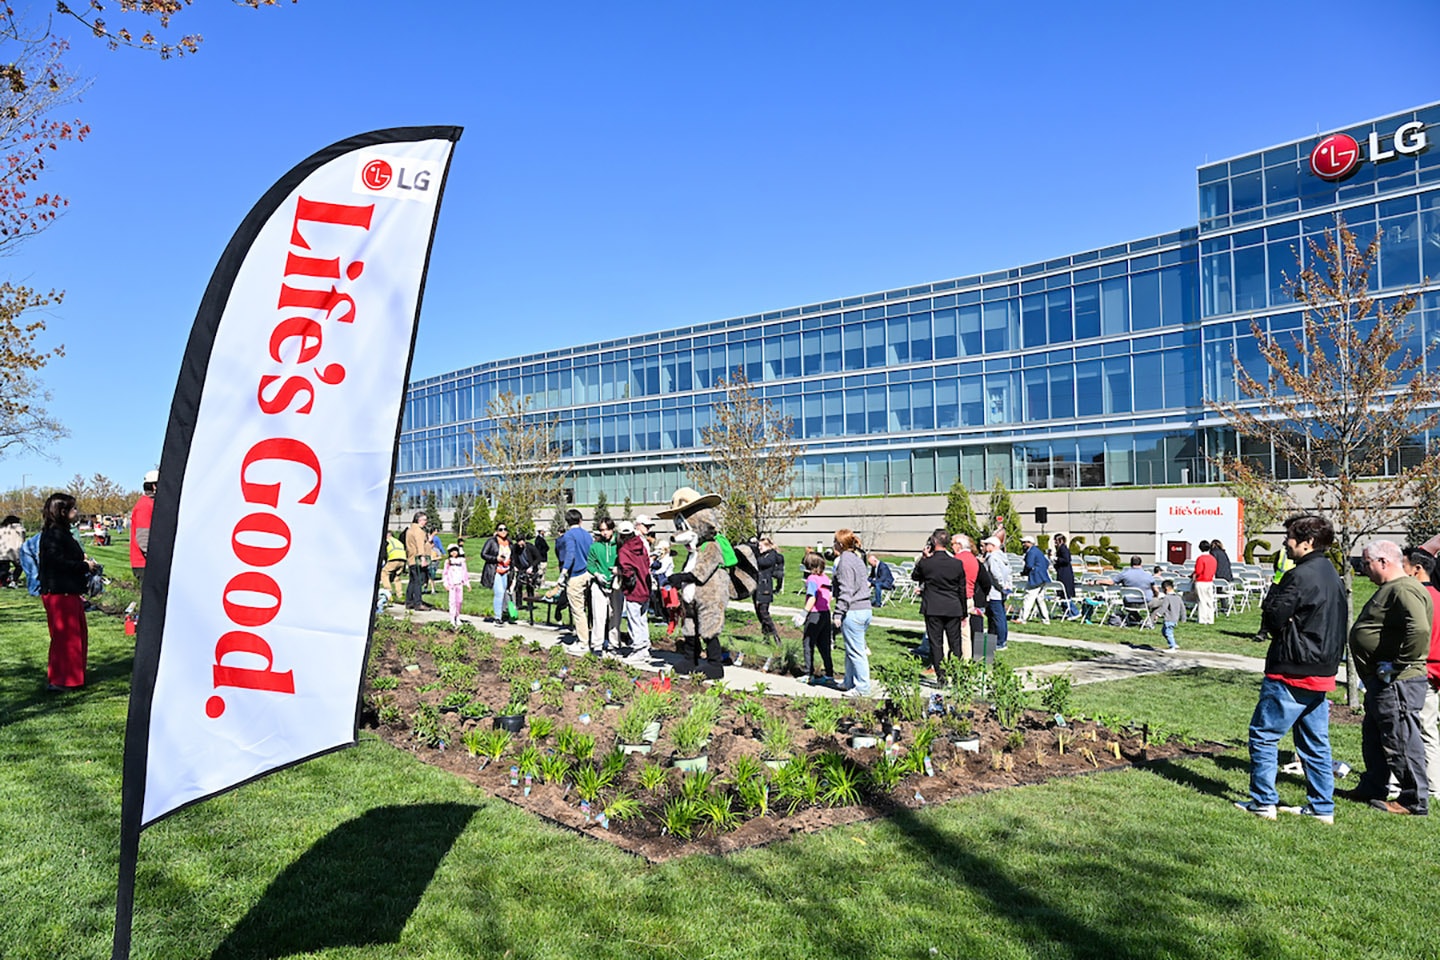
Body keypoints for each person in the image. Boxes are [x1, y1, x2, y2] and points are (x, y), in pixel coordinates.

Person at [1234, 514, 1347, 823]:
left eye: (1290, 538)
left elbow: (1271, 618)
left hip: (1292, 669)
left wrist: (1278, 579)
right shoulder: (1331, 574)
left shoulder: (1299, 576)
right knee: (1315, 743)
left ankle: (1263, 802)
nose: (1285, 542)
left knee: (1264, 735)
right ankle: (1322, 807)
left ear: (1307, 542)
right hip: (1322, 670)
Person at [1345, 539, 1431, 815]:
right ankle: (1373, 786)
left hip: (1397, 681)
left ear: (1384, 561)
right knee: (1376, 735)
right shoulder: (1392, 588)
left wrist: (1398, 665)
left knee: (1400, 738)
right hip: (1383, 681)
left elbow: (1418, 630)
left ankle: (1412, 799)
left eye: (1367, 563)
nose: (1363, 568)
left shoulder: (1404, 588)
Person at [39, 493, 97, 691]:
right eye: (73, 509)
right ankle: (61, 680)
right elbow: (57, 562)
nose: (76, 512)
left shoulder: (61, 532)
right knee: (66, 638)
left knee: (76, 635)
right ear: (62, 512)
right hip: (59, 592)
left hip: (67, 590)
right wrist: (83, 566)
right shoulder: (54, 534)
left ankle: (72, 677)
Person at [1401, 547, 1440, 802]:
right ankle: (1433, 786)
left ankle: (1429, 786)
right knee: (1428, 729)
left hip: (1420, 671)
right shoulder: (1438, 596)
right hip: (1434, 673)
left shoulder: (1415, 598)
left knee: (1414, 729)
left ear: (1417, 569)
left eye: (1404, 564)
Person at [912, 528, 968, 681]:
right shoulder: (957, 564)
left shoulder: (927, 563)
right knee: (955, 643)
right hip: (953, 607)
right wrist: (964, 612)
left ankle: (941, 676)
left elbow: (915, 576)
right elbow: (961, 590)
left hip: (933, 607)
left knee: (936, 643)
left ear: (934, 542)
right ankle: (956, 674)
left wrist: (923, 558)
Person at [831, 528, 872, 696]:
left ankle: (862, 687)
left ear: (840, 544)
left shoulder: (844, 562)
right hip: (865, 609)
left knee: (856, 652)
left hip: (853, 611)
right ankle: (849, 681)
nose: (832, 544)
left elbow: (846, 590)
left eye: (834, 541)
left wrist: (839, 613)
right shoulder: (857, 559)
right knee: (851, 648)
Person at [616, 517, 653, 665]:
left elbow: (627, 570)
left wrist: (619, 573)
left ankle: (638, 649)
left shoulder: (624, 550)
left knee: (634, 620)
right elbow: (647, 562)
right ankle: (645, 648)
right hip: (645, 586)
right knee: (643, 620)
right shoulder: (641, 545)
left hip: (634, 589)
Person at [556, 509, 594, 645]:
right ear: (580, 520)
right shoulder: (587, 535)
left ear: (567, 522)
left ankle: (583, 641)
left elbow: (570, 554)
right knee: (592, 609)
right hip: (589, 573)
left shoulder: (568, 535)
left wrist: (563, 573)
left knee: (578, 610)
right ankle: (595, 636)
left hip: (576, 575)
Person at [585, 518, 619, 654]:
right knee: (599, 615)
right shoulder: (595, 546)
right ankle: (597, 644)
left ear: (612, 529)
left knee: (615, 615)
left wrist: (619, 570)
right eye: (602, 530)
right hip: (599, 584)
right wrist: (597, 574)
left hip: (616, 583)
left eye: (607, 529)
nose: (604, 533)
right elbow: (590, 565)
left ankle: (614, 643)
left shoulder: (619, 544)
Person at [800, 552, 834, 683]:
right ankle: (829, 674)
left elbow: (812, 597)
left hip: (814, 614)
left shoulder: (812, 579)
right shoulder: (826, 578)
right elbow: (830, 595)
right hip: (825, 613)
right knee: (824, 645)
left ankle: (808, 674)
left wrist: (803, 613)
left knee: (808, 643)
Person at [981, 536, 1012, 652]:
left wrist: (1001, 585)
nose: (984, 547)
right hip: (1002, 592)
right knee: (1000, 616)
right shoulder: (1003, 557)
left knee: (997, 618)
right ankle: (997, 639)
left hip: (994, 592)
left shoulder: (992, 557)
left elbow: (995, 574)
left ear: (993, 546)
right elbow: (1009, 572)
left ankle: (1000, 641)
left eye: (987, 544)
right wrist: (1007, 586)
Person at [129, 470, 157, 590]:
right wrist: (157, 558)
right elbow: (143, 537)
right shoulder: (145, 505)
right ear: (154, 486)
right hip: (144, 564)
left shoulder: (150, 504)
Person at [753, 537, 783, 645]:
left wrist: (755, 553)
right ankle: (766, 637)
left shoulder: (771, 556)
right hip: (758, 587)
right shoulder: (763, 554)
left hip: (765, 587)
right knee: (759, 614)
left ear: (767, 546)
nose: (759, 548)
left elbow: (760, 563)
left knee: (764, 613)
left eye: (761, 546)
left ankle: (776, 636)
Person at [1018, 534, 1052, 624]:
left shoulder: (1031, 552)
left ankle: (1022, 618)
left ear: (1030, 543)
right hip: (1042, 577)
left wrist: (1024, 573)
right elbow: (1047, 563)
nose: (1023, 544)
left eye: (1024, 543)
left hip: (1035, 578)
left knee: (1028, 597)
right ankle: (1045, 619)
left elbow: (1028, 565)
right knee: (1039, 599)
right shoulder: (1038, 551)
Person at [484, 526, 514, 623]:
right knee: (499, 593)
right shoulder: (491, 542)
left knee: (504, 591)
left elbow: (513, 556)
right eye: (500, 529)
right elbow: (483, 554)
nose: (503, 531)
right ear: (496, 531)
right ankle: (498, 617)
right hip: (495, 570)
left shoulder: (509, 542)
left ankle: (502, 613)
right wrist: (496, 559)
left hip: (506, 571)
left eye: (505, 529)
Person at [403, 510, 431, 611]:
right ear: (418, 520)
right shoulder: (419, 531)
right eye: (424, 519)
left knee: (412, 581)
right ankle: (418, 603)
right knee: (418, 581)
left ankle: (409, 602)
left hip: (410, 558)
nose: (425, 522)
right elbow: (420, 545)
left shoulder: (410, 530)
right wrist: (423, 558)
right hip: (417, 559)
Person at [1147, 579, 1184, 651]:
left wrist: (1157, 615)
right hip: (1175, 618)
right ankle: (1173, 643)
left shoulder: (1167, 598)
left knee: (1168, 632)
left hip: (1169, 618)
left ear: (1166, 589)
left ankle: (1172, 646)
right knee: (1164, 631)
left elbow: (1163, 608)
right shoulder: (1178, 597)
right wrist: (1183, 617)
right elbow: (1183, 608)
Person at [1052, 532, 1079, 619]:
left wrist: (1056, 559)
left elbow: (1067, 560)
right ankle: (1067, 612)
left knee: (1065, 593)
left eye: (1056, 541)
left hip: (1065, 574)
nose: (1055, 543)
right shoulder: (1059, 549)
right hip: (1061, 572)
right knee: (1062, 594)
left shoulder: (1064, 549)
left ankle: (1074, 612)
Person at [441, 544, 469, 627]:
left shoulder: (461, 561)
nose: (454, 553)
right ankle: (452, 618)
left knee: (459, 601)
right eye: (452, 551)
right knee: (452, 602)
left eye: (455, 551)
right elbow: (445, 573)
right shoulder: (448, 562)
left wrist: (467, 583)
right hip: (452, 585)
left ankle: (457, 616)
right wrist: (446, 583)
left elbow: (465, 572)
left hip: (459, 584)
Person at [1191, 541, 1217, 624]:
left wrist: (1193, 575)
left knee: (1202, 600)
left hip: (1201, 581)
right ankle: (1210, 619)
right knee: (1209, 600)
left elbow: (1198, 570)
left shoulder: (1200, 558)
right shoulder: (1213, 559)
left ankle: (1202, 619)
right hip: (1210, 581)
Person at [381, 529, 407, 601]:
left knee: (384, 573)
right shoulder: (398, 541)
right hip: (403, 559)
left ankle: (388, 592)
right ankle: (400, 594)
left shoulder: (387, 541)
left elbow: (384, 553)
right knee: (397, 577)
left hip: (393, 558)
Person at [0, 514, 23, 588]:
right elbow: (21, 540)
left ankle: (3, 583)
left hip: (3, 552)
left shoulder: (2, 529)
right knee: (19, 566)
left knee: (4, 569)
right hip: (15, 552)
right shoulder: (19, 529)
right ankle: (14, 580)